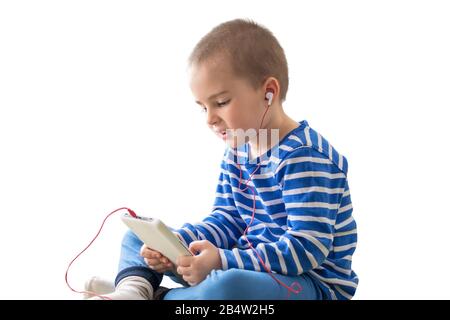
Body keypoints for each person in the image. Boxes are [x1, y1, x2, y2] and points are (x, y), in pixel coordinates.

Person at [85, 18, 358, 300]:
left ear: (269, 93)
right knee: (138, 239)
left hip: (309, 285)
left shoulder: (304, 156)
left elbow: (306, 249)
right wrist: (182, 243)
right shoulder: (238, 151)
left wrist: (222, 261)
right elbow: (228, 219)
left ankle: (154, 296)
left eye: (221, 102)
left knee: (228, 287)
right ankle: (133, 290)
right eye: (203, 107)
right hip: (244, 265)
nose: (210, 119)